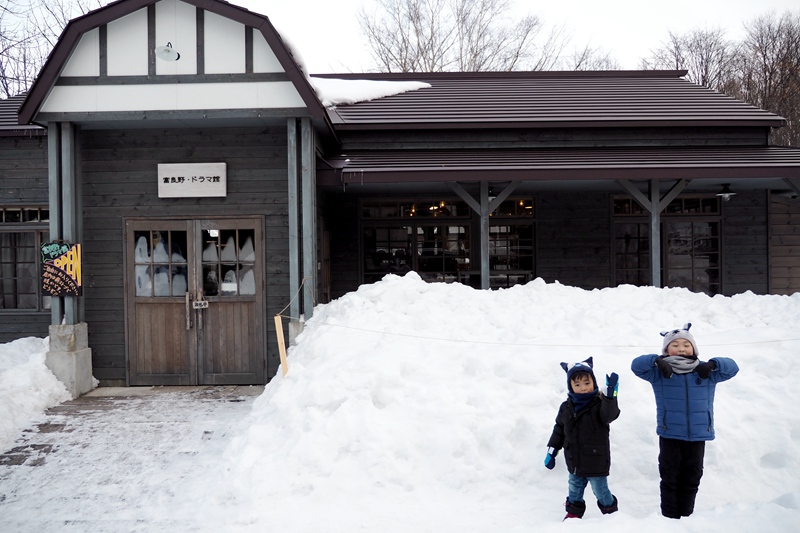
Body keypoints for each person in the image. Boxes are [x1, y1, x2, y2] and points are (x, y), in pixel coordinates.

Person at [631, 323, 739, 519]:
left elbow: (733, 368)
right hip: (669, 432)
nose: (681, 348)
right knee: (670, 477)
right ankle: (670, 519)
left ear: (694, 348)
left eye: (686, 344)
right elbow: (636, 366)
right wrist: (656, 360)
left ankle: (687, 519)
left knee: (692, 477)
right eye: (675, 345)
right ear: (666, 350)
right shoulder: (660, 373)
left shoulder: (705, 371)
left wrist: (714, 364)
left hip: (698, 434)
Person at [544, 357, 620, 520]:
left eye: (587, 383)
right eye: (577, 385)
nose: (583, 388)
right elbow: (559, 430)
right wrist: (552, 450)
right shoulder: (566, 407)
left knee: (600, 491)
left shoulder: (600, 404)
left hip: (596, 461)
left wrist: (611, 396)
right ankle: (573, 513)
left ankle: (610, 513)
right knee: (574, 489)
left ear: (593, 382)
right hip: (574, 460)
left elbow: (609, 415)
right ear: (570, 386)